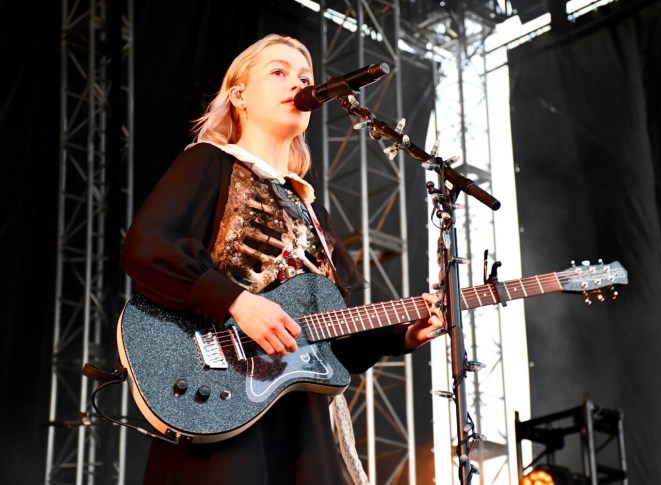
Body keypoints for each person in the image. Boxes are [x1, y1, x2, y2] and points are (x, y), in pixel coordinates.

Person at [121, 33, 444, 484]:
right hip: (221, 401)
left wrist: (400, 335)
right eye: (278, 72)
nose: (297, 82)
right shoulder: (209, 163)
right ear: (239, 96)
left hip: (302, 420)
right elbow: (148, 247)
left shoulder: (313, 210)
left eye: (305, 76)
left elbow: (335, 338)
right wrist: (235, 301)